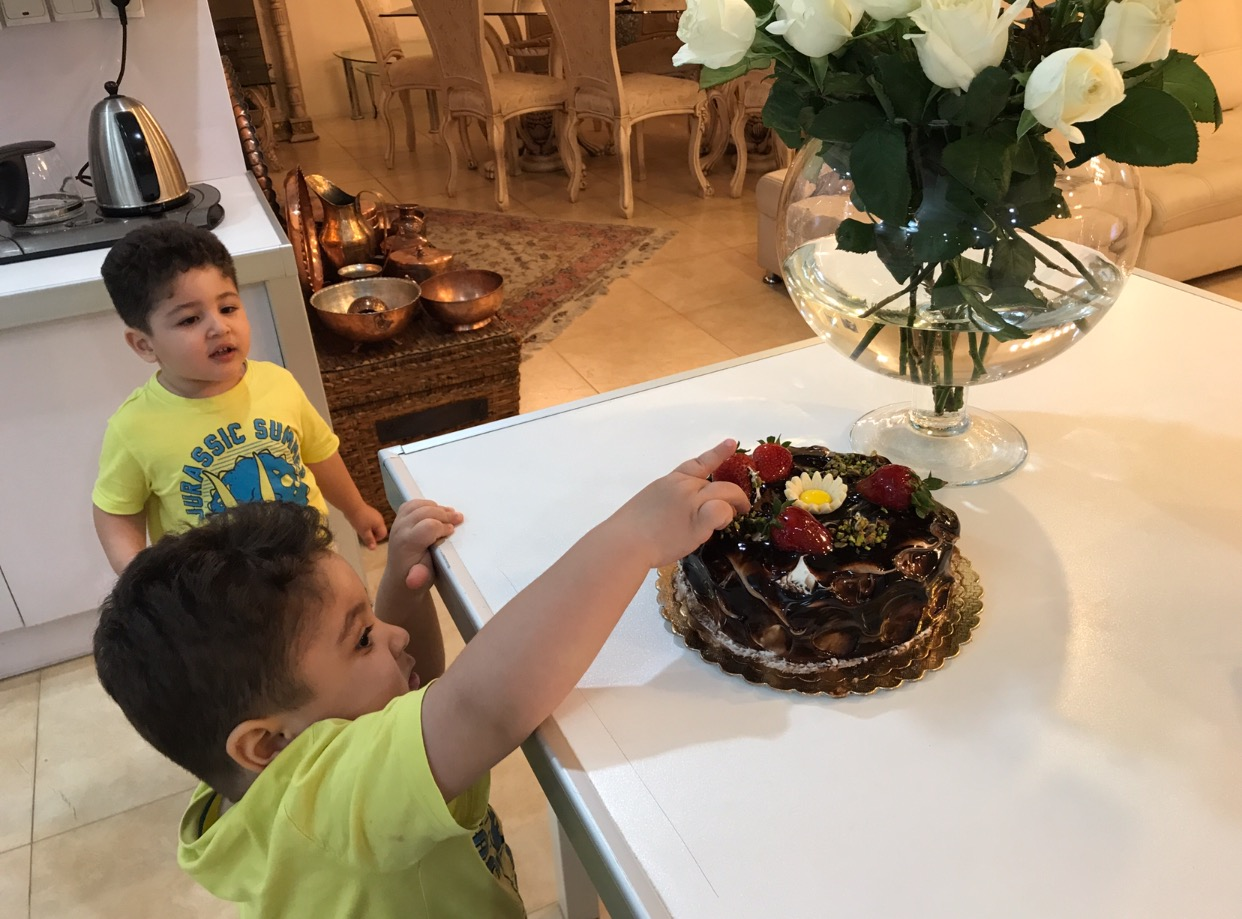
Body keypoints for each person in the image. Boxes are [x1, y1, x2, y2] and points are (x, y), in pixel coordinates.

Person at [93, 439, 748, 918]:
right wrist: (633, 537)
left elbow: (417, 701)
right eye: (362, 638)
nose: (394, 637)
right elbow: (478, 706)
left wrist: (400, 591)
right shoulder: (319, 809)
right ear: (267, 744)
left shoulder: (259, 782)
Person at [91, 223, 387, 574]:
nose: (219, 327)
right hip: (218, 592)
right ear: (144, 344)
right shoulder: (134, 427)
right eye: (190, 319)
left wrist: (356, 509)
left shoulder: (278, 383)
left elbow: (320, 454)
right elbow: (115, 510)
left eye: (228, 308)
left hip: (310, 566)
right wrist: (137, 576)